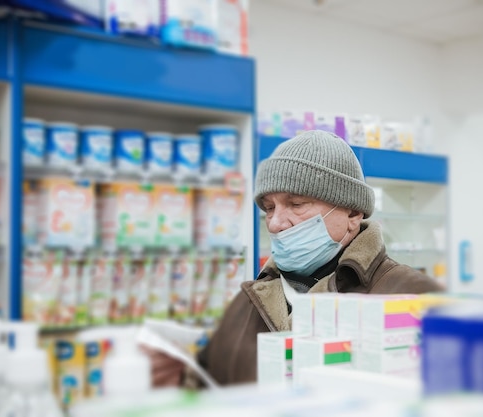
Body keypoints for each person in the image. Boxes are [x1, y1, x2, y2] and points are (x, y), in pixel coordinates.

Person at [149, 129, 443, 387]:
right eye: (269, 208)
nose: (276, 223)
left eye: (297, 204)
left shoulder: (415, 296)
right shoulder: (247, 302)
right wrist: (177, 378)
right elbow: (206, 390)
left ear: (352, 213)